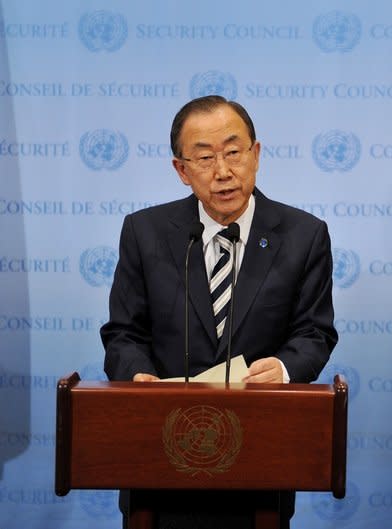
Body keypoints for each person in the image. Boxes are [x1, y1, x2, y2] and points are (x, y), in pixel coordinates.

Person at [101, 95, 338, 529]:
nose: (223, 171)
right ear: (181, 170)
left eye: (233, 152)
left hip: (260, 459)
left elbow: (315, 333)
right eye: (205, 157)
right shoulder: (144, 232)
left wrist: (285, 369)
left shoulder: (304, 236)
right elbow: (124, 334)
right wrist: (138, 378)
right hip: (160, 455)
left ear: (257, 155)